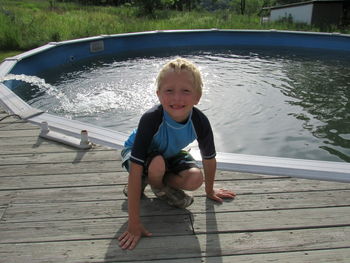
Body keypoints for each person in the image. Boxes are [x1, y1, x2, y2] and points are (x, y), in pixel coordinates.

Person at [118, 57, 236, 250]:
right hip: (136, 155)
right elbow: (137, 168)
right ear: (158, 94)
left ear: (197, 96)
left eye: (186, 91)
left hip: (168, 154)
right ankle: (157, 187)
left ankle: (155, 180)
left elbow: (209, 159)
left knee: (195, 179)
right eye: (169, 91)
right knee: (155, 164)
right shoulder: (151, 119)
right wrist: (133, 224)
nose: (177, 98)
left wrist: (209, 190)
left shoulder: (200, 121)